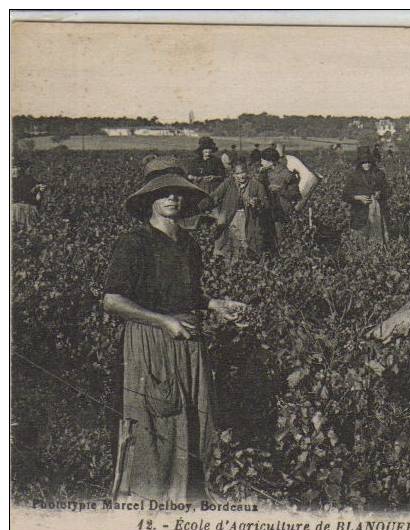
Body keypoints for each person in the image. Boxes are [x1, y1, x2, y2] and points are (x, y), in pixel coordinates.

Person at [103, 157, 247, 503]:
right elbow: (112, 300)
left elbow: (188, 294)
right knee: (155, 419)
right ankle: (147, 499)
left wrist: (214, 304)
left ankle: (184, 498)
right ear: (148, 200)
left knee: (193, 418)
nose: (172, 199)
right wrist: (163, 321)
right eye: (163, 192)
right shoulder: (134, 243)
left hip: (188, 340)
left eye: (177, 193)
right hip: (150, 341)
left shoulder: (189, 244)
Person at [198, 161, 276, 265]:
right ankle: (228, 265)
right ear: (233, 174)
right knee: (227, 243)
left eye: (243, 172)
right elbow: (215, 196)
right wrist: (202, 205)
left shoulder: (256, 185)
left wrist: (257, 203)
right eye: (237, 173)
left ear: (247, 172)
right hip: (230, 217)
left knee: (247, 243)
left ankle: (248, 266)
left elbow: (265, 205)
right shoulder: (228, 183)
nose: (241, 176)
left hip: (249, 218)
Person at [257, 147, 319, 233]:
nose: (261, 162)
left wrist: (280, 190)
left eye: (263, 160)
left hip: (282, 211)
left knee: (281, 234)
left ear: (270, 161)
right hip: (270, 210)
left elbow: (295, 194)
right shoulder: (265, 172)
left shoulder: (286, 174)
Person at [342, 146, 390, 244]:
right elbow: (345, 194)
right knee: (359, 241)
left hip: (377, 213)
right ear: (359, 163)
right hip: (359, 213)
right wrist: (357, 197)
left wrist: (380, 194)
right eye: (364, 162)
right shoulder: (354, 176)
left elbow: (388, 190)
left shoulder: (379, 174)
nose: (366, 164)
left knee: (377, 241)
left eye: (368, 162)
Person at [12, 158, 47, 230]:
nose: (15, 170)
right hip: (16, 209)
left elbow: (38, 195)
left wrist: (39, 190)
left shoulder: (29, 179)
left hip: (27, 209)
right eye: (13, 167)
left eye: (17, 167)